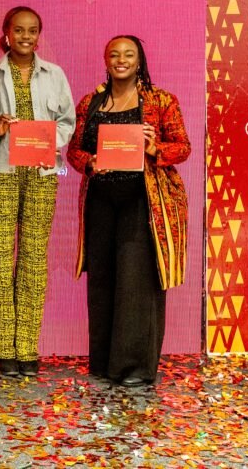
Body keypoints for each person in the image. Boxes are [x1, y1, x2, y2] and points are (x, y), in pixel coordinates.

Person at [66, 35, 190, 387]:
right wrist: (90, 162)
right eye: (114, 54)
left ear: (139, 61)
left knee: (136, 282)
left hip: (143, 202)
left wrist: (154, 148)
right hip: (100, 201)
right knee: (103, 280)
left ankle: (134, 367)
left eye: (128, 55)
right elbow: (73, 150)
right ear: (106, 60)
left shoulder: (161, 100)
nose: (121, 60)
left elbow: (183, 147)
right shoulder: (91, 101)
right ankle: (104, 363)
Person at [0, 6, 75, 377]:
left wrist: (49, 140)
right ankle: (4, 349)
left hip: (41, 173)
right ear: (6, 33)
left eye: (32, 31)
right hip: (0, 172)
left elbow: (67, 122)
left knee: (34, 259)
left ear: (39, 35)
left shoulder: (55, 75)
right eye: (18, 30)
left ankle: (28, 347)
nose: (25, 37)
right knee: (0, 260)